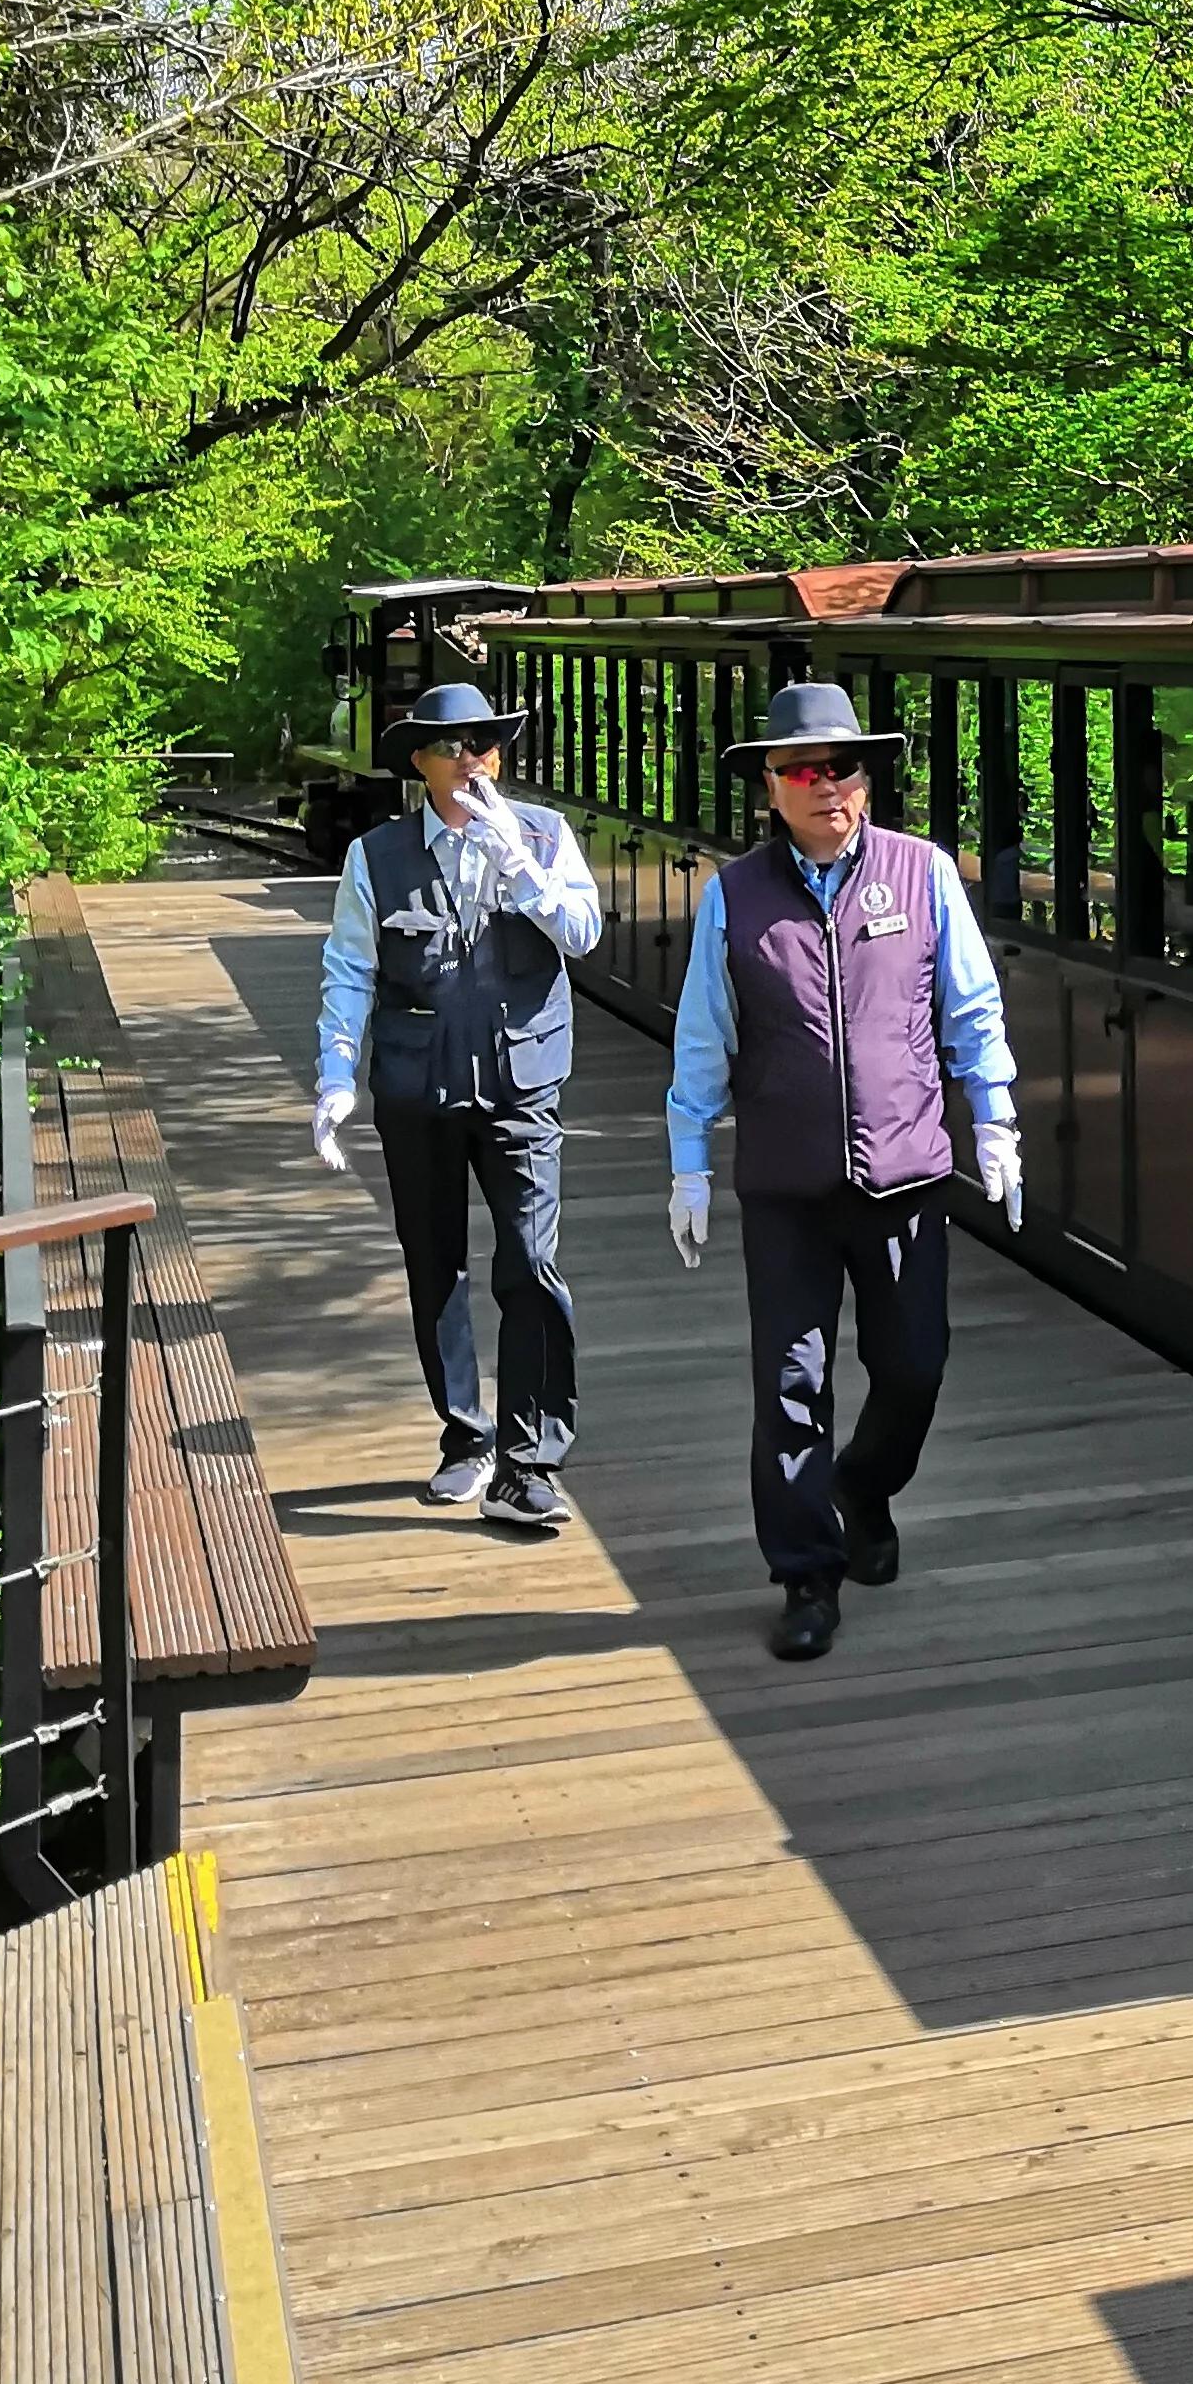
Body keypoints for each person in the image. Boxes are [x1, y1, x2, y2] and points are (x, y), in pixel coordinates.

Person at [664, 678, 1026, 1663]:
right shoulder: (733, 897)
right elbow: (705, 1037)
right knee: (790, 1381)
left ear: (867, 778)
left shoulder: (920, 874)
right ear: (771, 787)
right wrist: (688, 1160)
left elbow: (972, 1008)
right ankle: (806, 1575)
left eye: (844, 767)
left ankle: (863, 1486)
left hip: (906, 1173)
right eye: (804, 770)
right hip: (787, 1183)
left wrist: (994, 1119)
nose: (828, 786)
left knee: (916, 1366)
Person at [310, 678, 606, 1531]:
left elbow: (583, 933)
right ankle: (466, 1437)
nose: (470, 759)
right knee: (434, 1264)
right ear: (420, 764)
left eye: (483, 743)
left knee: (531, 1262)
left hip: (522, 1084)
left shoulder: (547, 836)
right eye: (451, 747)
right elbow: (349, 968)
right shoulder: (377, 855)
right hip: (417, 1088)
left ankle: (530, 1459)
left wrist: (525, 872)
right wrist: (335, 1074)